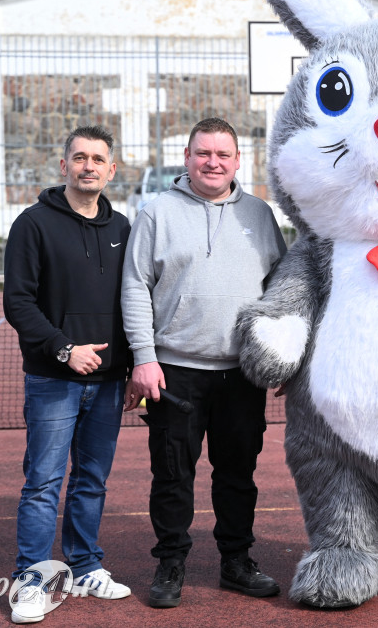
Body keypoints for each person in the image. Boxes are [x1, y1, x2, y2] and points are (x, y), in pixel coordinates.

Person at [122, 117, 288, 609]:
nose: (212, 162)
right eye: (202, 153)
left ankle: (236, 561)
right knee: (173, 476)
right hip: (174, 374)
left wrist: (279, 354)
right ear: (188, 157)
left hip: (242, 374)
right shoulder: (157, 213)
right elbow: (135, 286)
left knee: (237, 474)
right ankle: (171, 561)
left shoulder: (259, 215)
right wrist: (144, 358)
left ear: (238, 161)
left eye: (222, 154)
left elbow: (280, 288)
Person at [3, 125, 132, 624]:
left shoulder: (123, 228)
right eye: (79, 157)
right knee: (42, 483)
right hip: (54, 379)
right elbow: (18, 302)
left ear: (111, 169)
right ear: (64, 165)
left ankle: (83, 565)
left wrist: (130, 368)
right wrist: (64, 350)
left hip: (108, 385)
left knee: (91, 482)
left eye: (98, 159)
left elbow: (132, 303)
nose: (88, 166)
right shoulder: (32, 224)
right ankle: (32, 580)